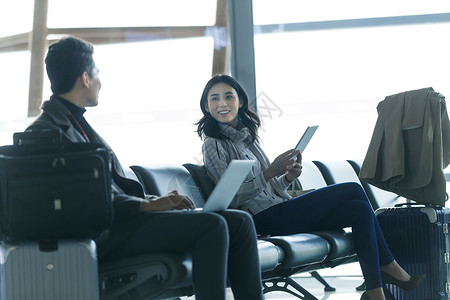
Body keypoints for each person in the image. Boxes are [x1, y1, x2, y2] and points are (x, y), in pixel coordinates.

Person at [26, 37, 264, 300]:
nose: (99, 82)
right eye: (97, 74)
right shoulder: (48, 132)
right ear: (85, 78)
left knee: (239, 222)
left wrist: (151, 201)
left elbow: (98, 190)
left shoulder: (74, 124)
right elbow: (77, 201)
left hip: (117, 221)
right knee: (212, 226)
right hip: (101, 234)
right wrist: (144, 205)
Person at [196, 74, 425, 300]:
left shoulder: (250, 139)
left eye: (229, 96)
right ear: (206, 106)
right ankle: (389, 266)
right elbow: (231, 197)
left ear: (241, 101)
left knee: (359, 210)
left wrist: (286, 178)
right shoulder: (213, 145)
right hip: (258, 220)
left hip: (278, 209)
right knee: (353, 190)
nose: (222, 103)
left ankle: (375, 292)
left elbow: (267, 189)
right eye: (214, 99)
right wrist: (270, 172)